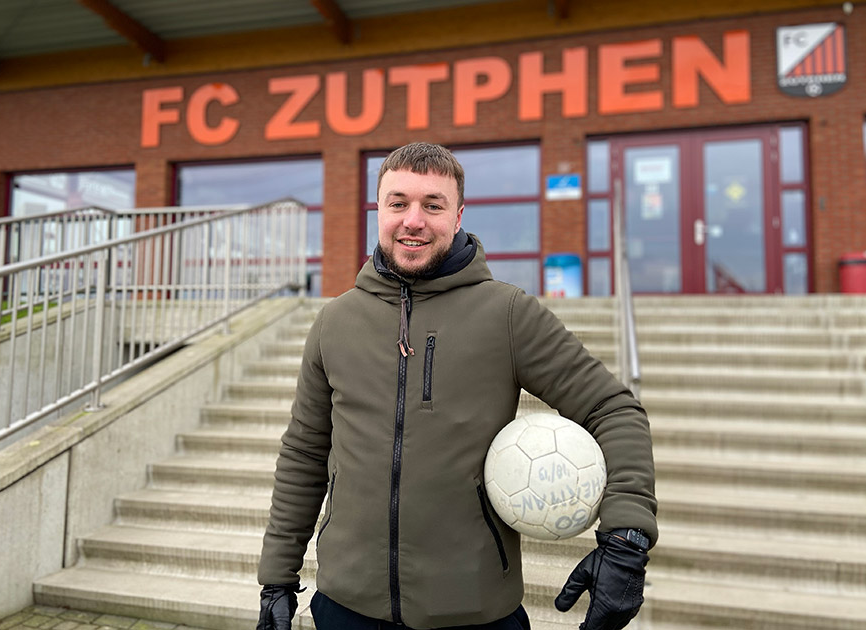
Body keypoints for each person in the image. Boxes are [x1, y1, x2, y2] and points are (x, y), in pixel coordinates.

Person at [256, 142, 658, 630]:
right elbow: (303, 452)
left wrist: (626, 537)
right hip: (345, 607)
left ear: (459, 215)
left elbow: (613, 409)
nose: (413, 220)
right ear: (378, 210)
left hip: (476, 612)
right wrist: (276, 577)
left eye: (433, 205)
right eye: (398, 203)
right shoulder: (334, 322)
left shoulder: (507, 314)